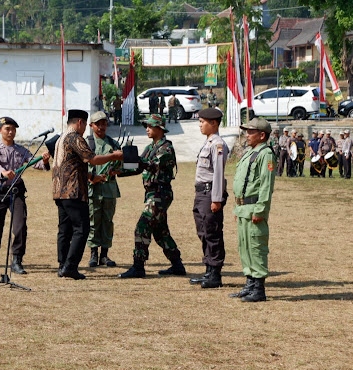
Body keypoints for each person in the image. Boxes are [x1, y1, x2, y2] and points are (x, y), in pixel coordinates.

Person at [52, 109, 123, 280]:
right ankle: (70, 267)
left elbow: (72, 165)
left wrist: (92, 176)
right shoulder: (74, 137)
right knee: (81, 229)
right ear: (80, 123)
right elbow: (92, 159)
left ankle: (62, 265)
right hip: (73, 191)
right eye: (84, 125)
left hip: (59, 191)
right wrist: (114, 155)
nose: (84, 129)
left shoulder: (60, 138)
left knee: (65, 230)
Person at [118, 114, 186, 278]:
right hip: (153, 193)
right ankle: (177, 265)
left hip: (160, 193)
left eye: (150, 126)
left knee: (142, 227)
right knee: (161, 233)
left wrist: (127, 156)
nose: (147, 129)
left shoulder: (166, 148)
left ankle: (138, 266)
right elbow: (138, 166)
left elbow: (151, 164)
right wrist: (118, 170)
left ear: (159, 129)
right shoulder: (150, 147)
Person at [0, 117, 51, 274]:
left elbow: (36, 164)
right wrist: (4, 172)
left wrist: (45, 161)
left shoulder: (21, 150)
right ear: (0, 130)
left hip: (16, 191)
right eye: (7, 128)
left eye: (13, 129)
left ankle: (17, 260)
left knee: (20, 225)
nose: (11, 132)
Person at [230, 117, 276, 302]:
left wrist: (260, 210)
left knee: (256, 247)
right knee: (245, 247)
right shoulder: (251, 152)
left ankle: (259, 289)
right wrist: (237, 208)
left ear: (262, 135)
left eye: (250, 132)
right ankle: (249, 283)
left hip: (254, 207)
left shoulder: (265, 154)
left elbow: (266, 185)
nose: (247, 135)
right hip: (243, 208)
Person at [190, 108, 229, 289]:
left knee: (212, 232)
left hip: (210, 193)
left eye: (202, 122)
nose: (200, 125)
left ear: (213, 123)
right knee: (203, 232)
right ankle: (208, 269)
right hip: (201, 193)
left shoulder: (217, 144)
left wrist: (217, 199)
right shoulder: (208, 143)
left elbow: (219, 174)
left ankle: (215, 273)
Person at [86, 111, 121, 267]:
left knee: (107, 221)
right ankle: (93, 255)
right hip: (92, 189)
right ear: (91, 125)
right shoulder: (87, 144)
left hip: (109, 189)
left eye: (104, 123)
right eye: (98, 124)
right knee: (93, 221)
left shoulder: (113, 144)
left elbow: (121, 167)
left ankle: (104, 255)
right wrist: (92, 177)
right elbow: (82, 166)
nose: (101, 127)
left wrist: (116, 167)